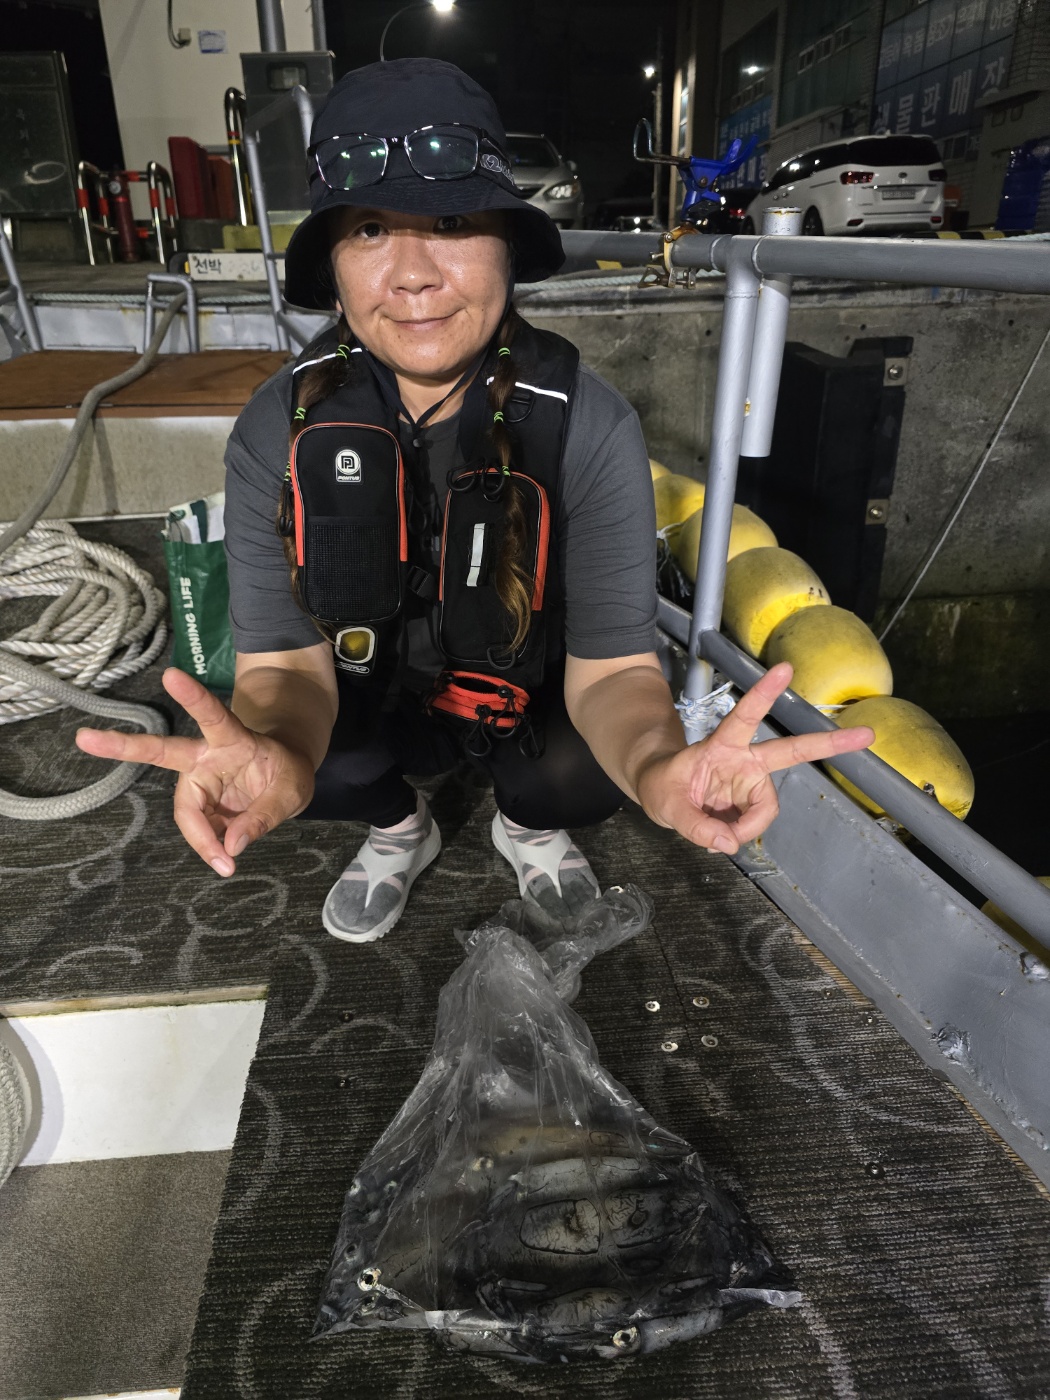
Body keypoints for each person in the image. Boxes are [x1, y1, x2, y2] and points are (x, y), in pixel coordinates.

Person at [76, 58, 871, 943]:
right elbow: (285, 671)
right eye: (370, 229)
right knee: (308, 763)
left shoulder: (590, 423)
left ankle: (524, 826)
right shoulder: (279, 427)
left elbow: (615, 670)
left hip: (520, 687)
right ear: (333, 266)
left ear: (507, 246)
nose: (412, 275)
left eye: (452, 222)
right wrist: (279, 754)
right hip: (363, 690)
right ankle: (399, 826)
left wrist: (656, 767)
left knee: (584, 778)